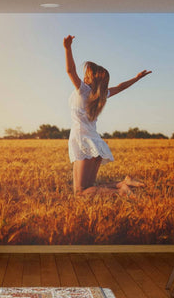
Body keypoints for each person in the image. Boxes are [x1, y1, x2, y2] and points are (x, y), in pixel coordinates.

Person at [63, 35, 151, 195]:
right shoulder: (102, 94)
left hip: (83, 141)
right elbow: (120, 87)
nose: (84, 76)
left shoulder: (84, 90)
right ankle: (122, 183)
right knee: (88, 187)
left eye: (87, 74)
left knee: (80, 193)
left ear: (90, 79)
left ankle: (121, 191)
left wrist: (67, 48)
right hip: (94, 141)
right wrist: (136, 79)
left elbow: (70, 70)